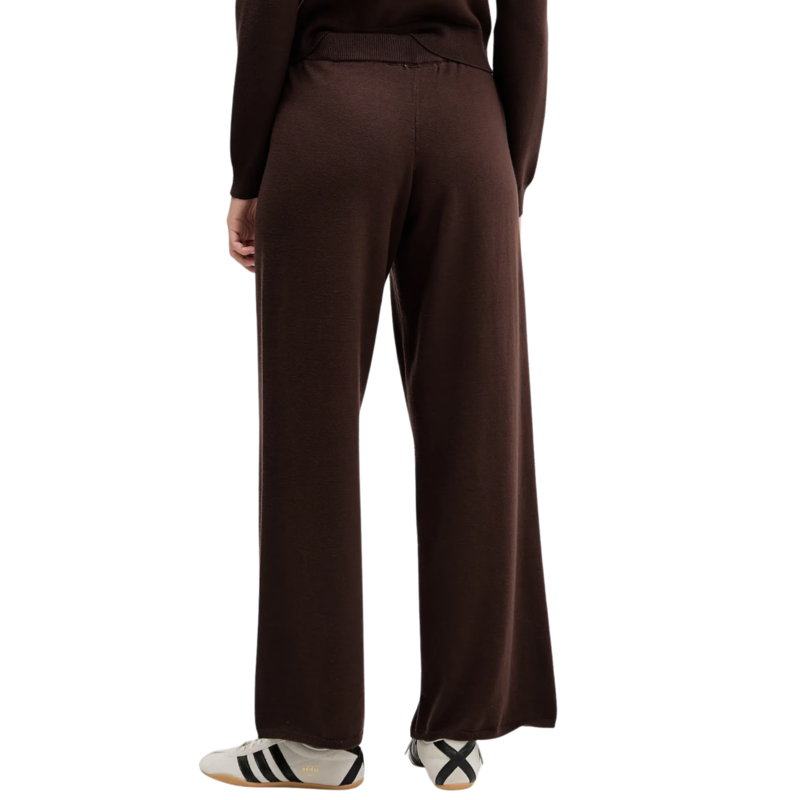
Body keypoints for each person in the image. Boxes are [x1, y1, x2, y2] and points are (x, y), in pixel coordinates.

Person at [203, 0, 555, 790]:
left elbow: (266, 16)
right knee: (478, 426)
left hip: (331, 114)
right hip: (469, 125)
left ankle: (315, 741)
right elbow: (528, 18)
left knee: (310, 432)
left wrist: (246, 173)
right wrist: (511, 174)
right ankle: (458, 733)